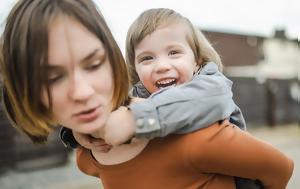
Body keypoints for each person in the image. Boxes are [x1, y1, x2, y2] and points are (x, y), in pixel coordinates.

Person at [0, 1, 293, 189]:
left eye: (174, 52)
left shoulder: (207, 95)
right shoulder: (92, 154)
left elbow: (279, 168)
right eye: (147, 59)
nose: (162, 64)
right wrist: (76, 133)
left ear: (197, 61)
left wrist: (135, 120)